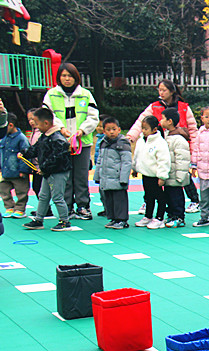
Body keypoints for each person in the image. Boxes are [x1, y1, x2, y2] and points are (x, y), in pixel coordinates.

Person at [128, 79, 200, 214]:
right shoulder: (154, 107)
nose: (160, 93)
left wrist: (194, 151)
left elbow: (192, 129)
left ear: (172, 91)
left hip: (178, 146)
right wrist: (131, 136)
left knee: (182, 174)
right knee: (156, 176)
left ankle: (194, 200)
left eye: (164, 90)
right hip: (160, 147)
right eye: (159, 90)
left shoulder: (183, 107)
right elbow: (141, 122)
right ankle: (149, 201)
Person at [42, 63, 99, 220]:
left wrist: (82, 130)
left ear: (76, 78)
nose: (67, 79)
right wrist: (61, 129)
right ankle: (67, 207)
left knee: (80, 175)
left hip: (82, 143)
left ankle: (83, 206)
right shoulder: (51, 94)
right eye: (64, 76)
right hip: (60, 143)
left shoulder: (85, 94)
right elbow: (48, 115)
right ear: (59, 77)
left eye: (70, 76)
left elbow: (93, 116)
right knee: (63, 175)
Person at [21, 108, 72, 231]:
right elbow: (35, 149)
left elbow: (57, 158)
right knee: (43, 196)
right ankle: (39, 220)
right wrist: (24, 154)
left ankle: (65, 221)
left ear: (46, 123)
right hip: (48, 171)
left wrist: (43, 168)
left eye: (37, 123)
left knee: (57, 197)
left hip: (58, 171)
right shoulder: (45, 136)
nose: (36, 126)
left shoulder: (57, 138)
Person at [132, 115, 170, 229]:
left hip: (155, 176)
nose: (143, 131)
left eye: (146, 128)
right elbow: (137, 156)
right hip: (145, 174)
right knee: (148, 197)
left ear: (154, 129)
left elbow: (164, 160)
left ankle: (159, 218)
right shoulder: (141, 141)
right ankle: (148, 216)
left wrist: (162, 176)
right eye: (142, 128)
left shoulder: (160, 143)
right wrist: (135, 168)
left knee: (159, 197)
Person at [95, 117, 132, 229]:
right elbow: (100, 160)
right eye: (108, 129)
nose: (111, 132)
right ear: (104, 131)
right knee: (109, 199)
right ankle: (113, 218)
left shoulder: (123, 143)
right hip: (106, 177)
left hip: (117, 178)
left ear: (119, 130)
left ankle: (122, 220)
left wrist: (123, 179)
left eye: (114, 129)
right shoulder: (103, 143)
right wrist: (98, 176)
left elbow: (126, 162)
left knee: (119, 199)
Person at [160, 108, 191, 228]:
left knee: (176, 197)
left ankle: (179, 217)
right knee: (169, 196)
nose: (161, 121)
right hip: (169, 174)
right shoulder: (167, 136)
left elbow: (182, 159)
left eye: (163, 118)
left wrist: (180, 176)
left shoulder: (178, 139)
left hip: (175, 176)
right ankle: (172, 215)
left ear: (170, 121)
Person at [0, 112, 31, 218]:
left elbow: (26, 155)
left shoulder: (21, 138)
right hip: (5, 171)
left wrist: (23, 170)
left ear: (10, 125)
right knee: (3, 188)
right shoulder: (3, 138)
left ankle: (20, 209)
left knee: (21, 191)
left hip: (18, 171)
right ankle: (9, 207)